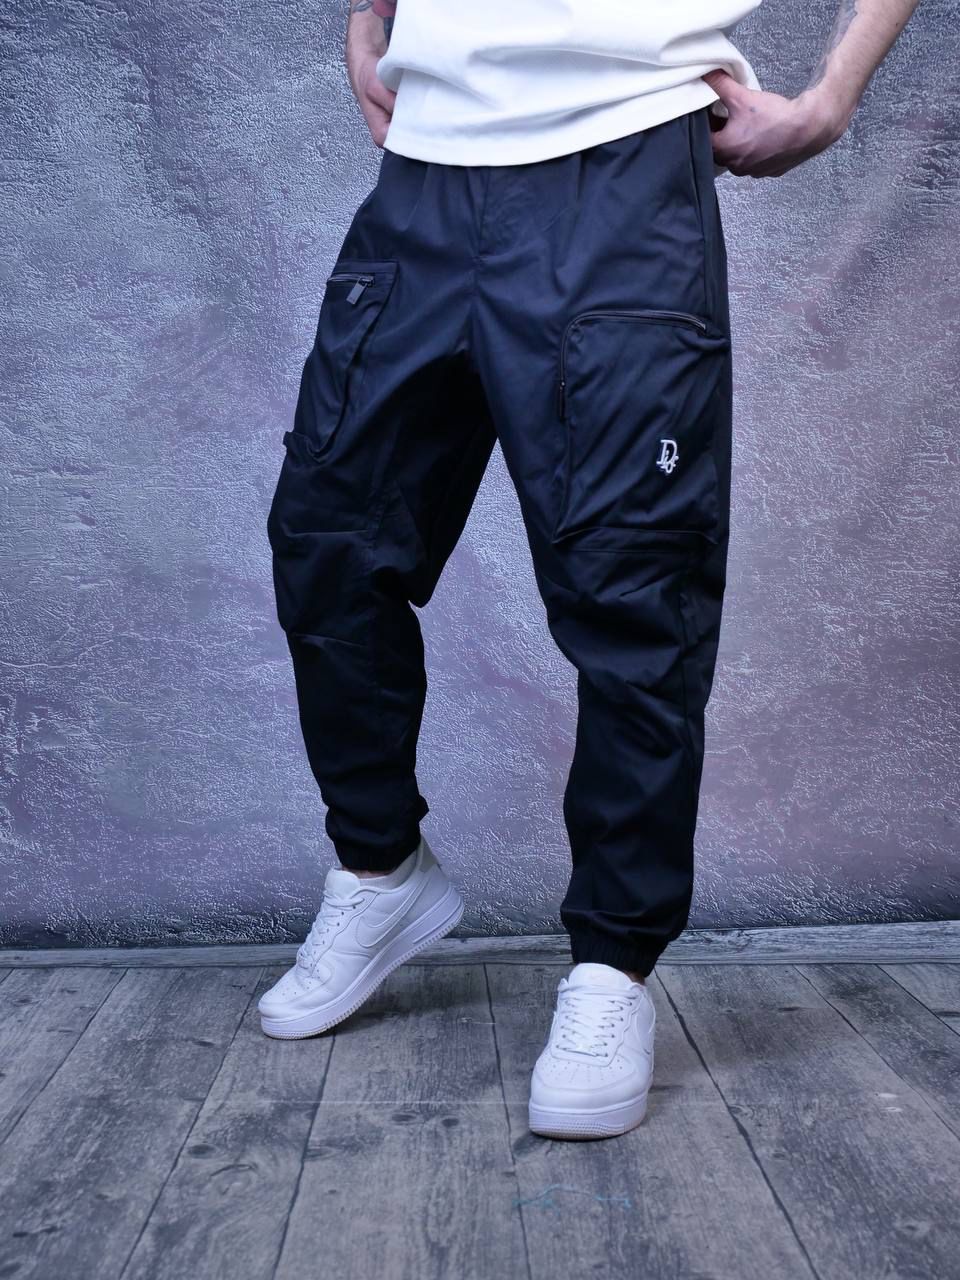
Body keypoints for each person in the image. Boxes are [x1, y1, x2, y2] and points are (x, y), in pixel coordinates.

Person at [259, 0, 919, 1140]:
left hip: (622, 164)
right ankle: (378, 870)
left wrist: (831, 97)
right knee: (328, 543)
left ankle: (613, 965)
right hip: (425, 172)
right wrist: (368, 12)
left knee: (632, 587)